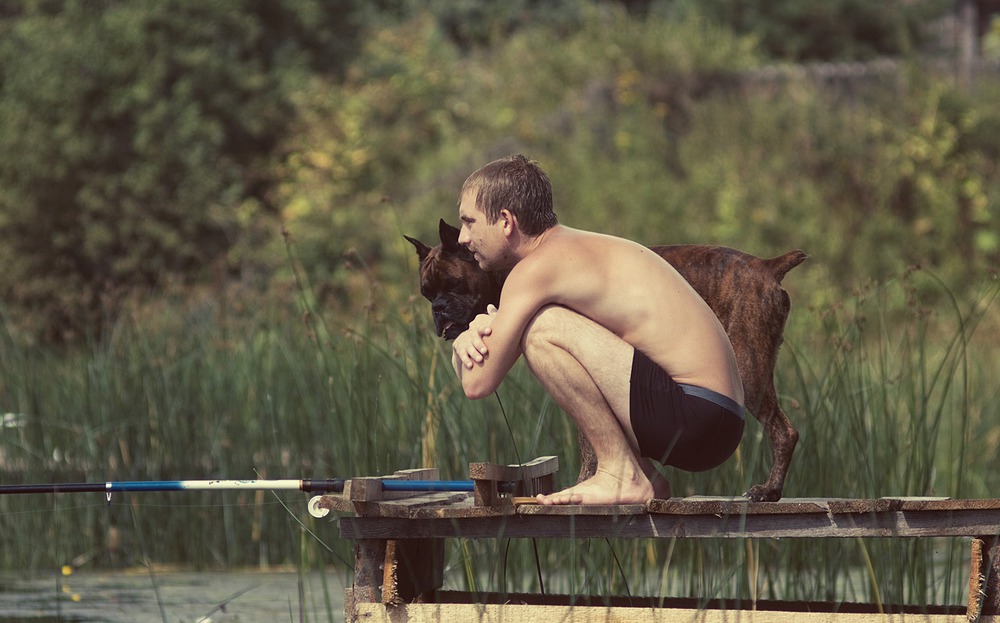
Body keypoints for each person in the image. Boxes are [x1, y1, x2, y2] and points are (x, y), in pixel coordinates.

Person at [451, 154, 744, 505]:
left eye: (469, 222)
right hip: (718, 421)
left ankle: (620, 473)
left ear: (505, 221)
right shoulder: (572, 249)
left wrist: (465, 340)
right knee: (542, 320)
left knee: (542, 329)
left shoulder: (536, 269)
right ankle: (642, 475)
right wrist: (474, 333)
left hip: (697, 415)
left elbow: (477, 381)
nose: (462, 239)